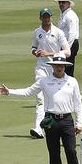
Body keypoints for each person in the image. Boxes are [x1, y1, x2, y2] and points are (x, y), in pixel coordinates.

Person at [0, 53, 82, 164]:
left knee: (71, 151)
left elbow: (78, 103)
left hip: (67, 120)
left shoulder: (72, 81)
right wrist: (10, 92)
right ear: (53, 66)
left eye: (61, 65)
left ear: (65, 67)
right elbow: (28, 91)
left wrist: (79, 123)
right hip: (51, 120)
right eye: (57, 65)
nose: (59, 68)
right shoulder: (44, 81)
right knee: (54, 153)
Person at [29, 8, 71, 138]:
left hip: (55, 68)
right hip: (41, 68)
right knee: (40, 97)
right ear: (40, 18)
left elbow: (67, 52)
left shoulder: (58, 32)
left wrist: (50, 53)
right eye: (44, 17)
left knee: (55, 98)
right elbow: (33, 47)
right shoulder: (37, 32)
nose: (46, 19)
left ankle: (55, 125)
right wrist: (35, 52)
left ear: (51, 18)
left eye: (48, 17)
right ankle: (38, 128)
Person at [55, 0, 80, 76]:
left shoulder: (70, 15)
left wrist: (67, 48)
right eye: (60, 2)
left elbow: (72, 33)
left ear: (69, 3)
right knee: (64, 68)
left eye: (64, 2)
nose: (61, 4)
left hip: (70, 44)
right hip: (65, 44)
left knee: (67, 68)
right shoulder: (63, 14)